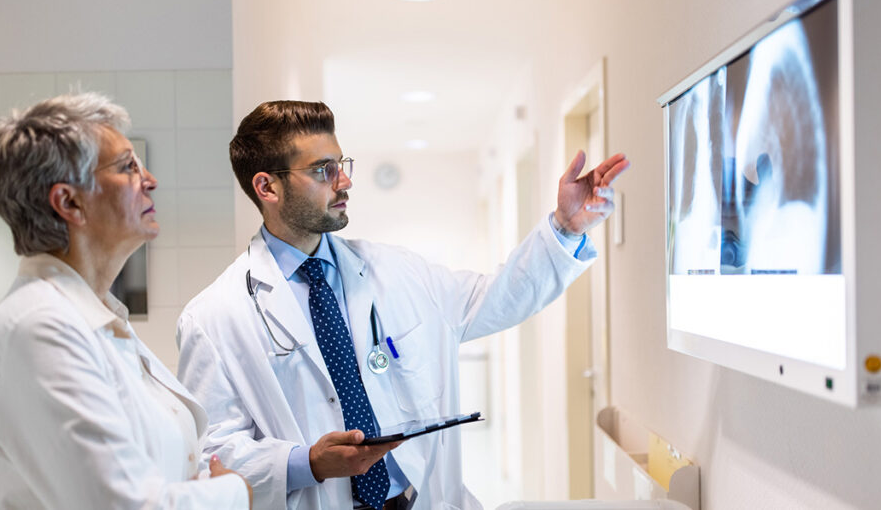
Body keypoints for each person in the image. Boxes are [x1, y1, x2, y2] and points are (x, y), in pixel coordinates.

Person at [176, 100, 629, 510]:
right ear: (267, 187)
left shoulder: (398, 272)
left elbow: (496, 298)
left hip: (421, 500)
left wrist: (566, 229)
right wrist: (308, 462)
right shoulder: (214, 317)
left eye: (342, 163)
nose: (345, 180)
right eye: (323, 169)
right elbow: (212, 454)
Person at [0, 92, 252, 509]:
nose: (150, 179)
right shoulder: (38, 326)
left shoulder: (95, 319)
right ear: (69, 202)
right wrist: (235, 492)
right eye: (127, 166)